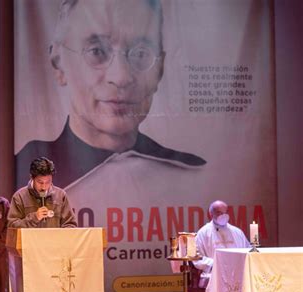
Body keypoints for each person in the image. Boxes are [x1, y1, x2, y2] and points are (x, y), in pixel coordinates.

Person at [15, 0, 206, 189]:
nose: (121, 77)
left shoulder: (189, 176)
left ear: (160, 69)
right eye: (97, 51)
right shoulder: (21, 173)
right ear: (58, 63)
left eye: (141, 54)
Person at [193, 200, 251, 287]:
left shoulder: (237, 232)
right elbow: (197, 257)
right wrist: (216, 264)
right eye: (219, 213)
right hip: (215, 273)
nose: (223, 216)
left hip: (236, 272)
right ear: (211, 214)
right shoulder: (203, 233)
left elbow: (248, 251)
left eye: (225, 212)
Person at [8, 157, 77, 228]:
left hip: (54, 239)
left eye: (48, 182)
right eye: (40, 182)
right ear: (31, 177)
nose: (44, 187)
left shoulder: (61, 195)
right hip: (30, 239)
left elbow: (70, 224)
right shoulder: (19, 197)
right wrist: (34, 218)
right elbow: (12, 226)